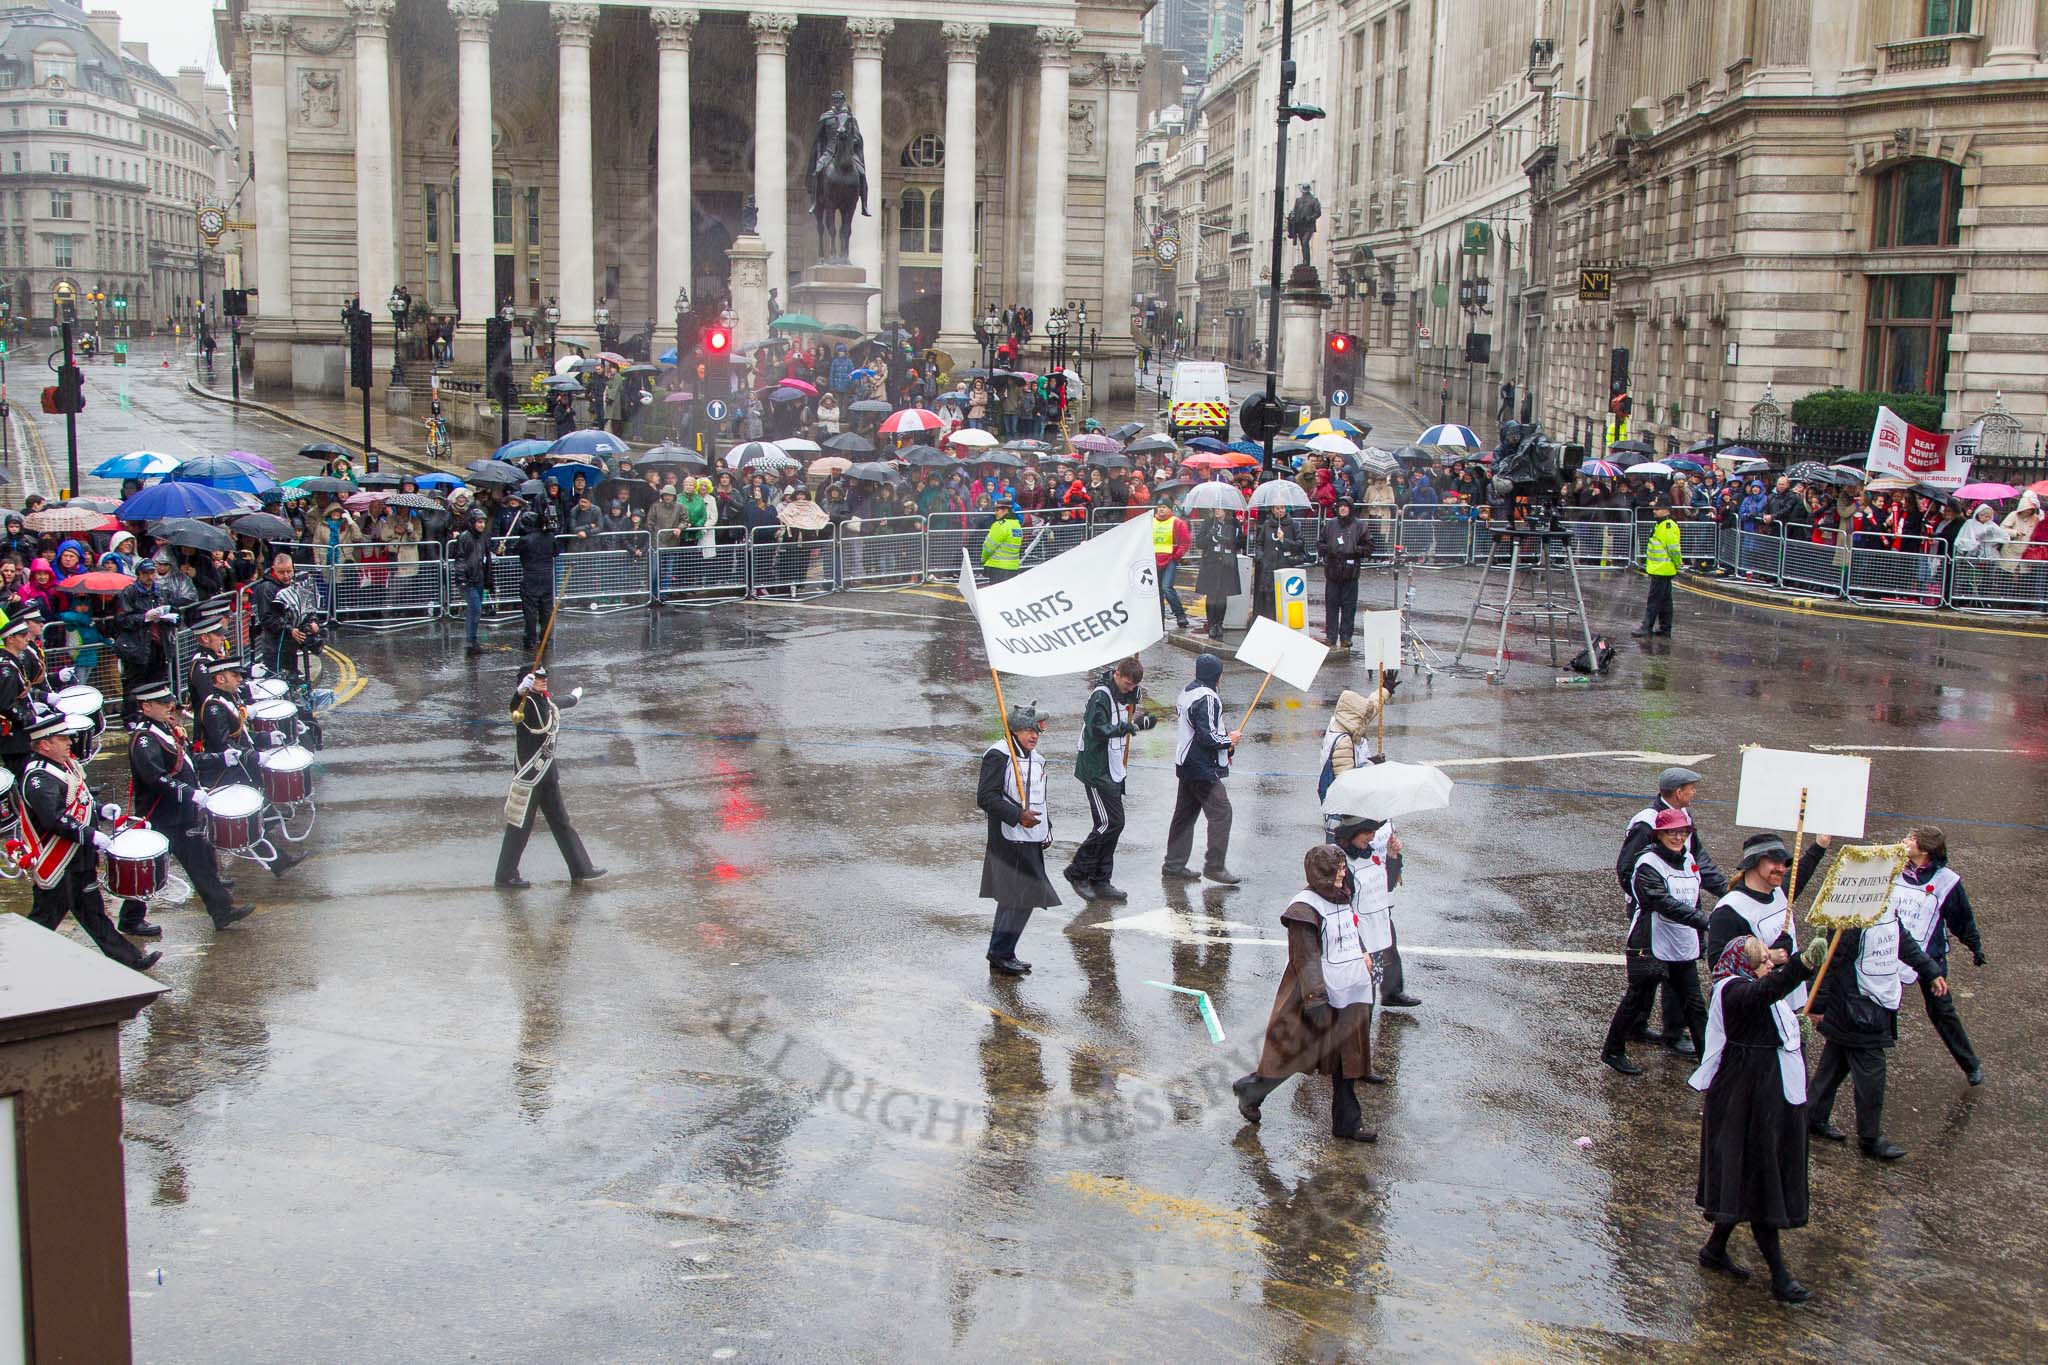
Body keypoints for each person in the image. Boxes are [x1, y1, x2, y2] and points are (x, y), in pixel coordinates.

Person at [1689, 935, 1820, 1303]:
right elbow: (1769, 991)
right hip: (1746, 1102)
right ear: (1744, 965)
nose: (1768, 966)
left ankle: (1715, 1249)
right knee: (1761, 1182)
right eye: (1762, 961)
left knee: (1744, 1178)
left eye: (1768, 960)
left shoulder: (1750, 988)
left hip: (1760, 1098)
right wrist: (1803, 965)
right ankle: (1780, 1277)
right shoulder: (1734, 992)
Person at [1230, 845, 1380, 1142]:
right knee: (1296, 1054)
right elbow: (1306, 958)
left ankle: (1347, 1122)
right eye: (1336, 868)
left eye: (1342, 868)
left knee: (1347, 1058)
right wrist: (1316, 1001)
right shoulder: (1304, 909)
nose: (1341, 873)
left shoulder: (1341, 896)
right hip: (1316, 995)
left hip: (1348, 990)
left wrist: (1362, 953)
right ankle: (1252, 1089)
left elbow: (1348, 932)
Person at [1806, 868, 1944, 1161]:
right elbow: (1830, 963)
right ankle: (1870, 1138)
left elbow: (1902, 940)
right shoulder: (1851, 919)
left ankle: (1812, 1117)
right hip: (1857, 1011)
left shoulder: (1886, 906)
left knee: (1834, 1064)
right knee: (1871, 1075)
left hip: (1867, 1005)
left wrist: (1929, 970)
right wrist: (1818, 1006)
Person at [18, 708, 159, 971]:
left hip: (77, 859)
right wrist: (91, 834)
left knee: (92, 913)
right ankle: (13, 959)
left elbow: (80, 800)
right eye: (63, 739)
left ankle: (131, 960)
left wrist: (101, 809)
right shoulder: (38, 777)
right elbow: (55, 819)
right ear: (45, 744)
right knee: (44, 919)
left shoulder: (65, 765)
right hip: (59, 862)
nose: (70, 742)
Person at [123, 680, 253, 935]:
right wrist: (190, 793)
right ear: (146, 706)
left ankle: (222, 911)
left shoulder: (164, 729)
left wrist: (218, 758)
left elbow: (187, 761)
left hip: (182, 813)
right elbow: (156, 778)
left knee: (201, 860)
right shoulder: (144, 740)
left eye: (169, 702)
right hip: (162, 815)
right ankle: (129, 918)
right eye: (163, 704)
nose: (169, 707)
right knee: (151, 868)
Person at [1616, 766, 1727, 1054]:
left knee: (1672, 971)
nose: (1695, 792)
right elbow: (1627, 868)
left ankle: (1658, 1029)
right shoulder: (1647, 822)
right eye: (1691, 788)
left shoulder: (1684, 819)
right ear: (1678, 792)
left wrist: (1726, 890)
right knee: (1654, 973)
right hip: (1654, 913)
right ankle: (1659, 1032)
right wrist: (1649, 899)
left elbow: (1697, 858)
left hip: (1679, 911)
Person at [1601, 807, 1712, 1074]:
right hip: (1650, 944)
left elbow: (1694, 898)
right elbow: (1661, 901)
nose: (1677, 837)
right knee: (1637, 999)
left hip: (1681, 944)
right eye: (1671, 833)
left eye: (1682, 832)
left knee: (1694, 1004)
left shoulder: (1688, 860)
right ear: (1659, 835)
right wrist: (1703, 921)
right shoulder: (1647, 863)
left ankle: (1708, 1058)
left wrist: (1700, 936)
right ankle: (1613, 1050)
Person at [1890, 826, 1986, 1085]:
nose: (1905, 840)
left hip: (1930, 958)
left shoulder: (1946, 881)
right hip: (1891, 950)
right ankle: (1870, 1054)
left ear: (1924, 849)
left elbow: (1961, 918)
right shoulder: (1891, 869)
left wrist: (1974, 946)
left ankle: (1970, 1064)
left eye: (1911, 839)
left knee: (1942, 1011)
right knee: (1880, 1002)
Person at [494, 667, 604, 888]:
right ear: (527, 682)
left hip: (547, 776)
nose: (544, 681)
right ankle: (505, 875)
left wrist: (574, 697)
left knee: (561, 823)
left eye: (544, 677)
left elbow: (558, 703)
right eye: (538, 679)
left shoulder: (545, 701)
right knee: (519, 826)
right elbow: (515, 708)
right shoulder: (526, 703)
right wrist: (519, 693)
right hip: (531, 776)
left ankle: (580, 868)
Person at [1063, 657, 1154, 902]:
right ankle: (1077, 872)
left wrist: (1142, 721)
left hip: (1112, 769)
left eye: (1133, 686)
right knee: (1107, 823)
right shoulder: (1100, 696)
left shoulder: (1128, 693)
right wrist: (1127, 727)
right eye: (1126, 685)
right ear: (1117, 674)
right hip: (1096, 769)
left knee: (1115, 823)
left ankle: (1101, 880)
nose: (1130, 689)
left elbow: (1136, 715)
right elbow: (1097, 730)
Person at [977, 703, 1059, 976]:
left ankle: (1002, 952)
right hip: (1008, 838)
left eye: (1036, 731)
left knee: (1021, 897)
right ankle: (1000, 953)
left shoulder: (1038, 759)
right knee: (1020, 896)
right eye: (1027, 730)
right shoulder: (998, 755)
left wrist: (1045, 829)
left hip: (1032, 837)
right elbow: (986, 797)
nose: (1033, 736)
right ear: (1014, 730)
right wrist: (1016, 815)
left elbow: (1041, 797)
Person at [1704, 831, 1832, 999]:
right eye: (1774, 862)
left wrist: (1820, 846)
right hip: (1759, 1006)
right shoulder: (1729, 910)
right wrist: (1768, 956)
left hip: (1792, 1001)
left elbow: (1800, 875)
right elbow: (1718, 965)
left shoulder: (1780, 892)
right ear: (1753, 862)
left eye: (1783, 862)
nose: (1781, 868)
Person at [1161, 653, 1241, 885]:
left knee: (1184, 815)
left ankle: (1174, 864)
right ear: (1217, 675)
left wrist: (1227, 749)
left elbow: (1202, 730)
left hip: (1186, 762)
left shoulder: (1188, 691)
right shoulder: (1208, 698)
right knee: (1221, 812)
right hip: (1201, 767)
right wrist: (1229, 740)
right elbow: (1207, 735)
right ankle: (1214, 867)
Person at [1330, 813, 1405, 1054]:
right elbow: (1340, 908)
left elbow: (1386, 887)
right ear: (1353, 832)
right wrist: (1360, 949)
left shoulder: (1370, 854)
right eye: (1368, 832)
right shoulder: (1338, 861)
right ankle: (1345, 1059)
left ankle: (1358, 1060)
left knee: (1367, 1002)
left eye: (1374, 832)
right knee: (1352, 1005)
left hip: (1374, 943)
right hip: (1354, 945)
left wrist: (1393, 857)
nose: (1372, 837)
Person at [112, 556, 177, 718]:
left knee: (157, 683)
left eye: (152, 573)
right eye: (145, 573)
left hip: (159, 645)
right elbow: (121, 620)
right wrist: (144, 617)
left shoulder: (162, 592)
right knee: (134, 684)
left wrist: (172, 618)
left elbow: (176, 611)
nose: (149, 576)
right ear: (139, 575)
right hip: (136, 646)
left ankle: (155, 715)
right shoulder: (129, 592)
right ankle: (132, 717)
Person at [1315, 678, 1396, 802]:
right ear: (1355, 717)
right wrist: (1372, 764)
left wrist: (1385, 691)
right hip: (1346, 806)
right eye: (1362, 718)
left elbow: (1370, 709)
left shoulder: (1342, 722)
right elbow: (1347, 780)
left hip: (1350, 799)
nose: (1365, 720)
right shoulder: (1344, 743)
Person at [1315, 496, 1372, 648]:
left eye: (1346, 506)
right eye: (1340, 506)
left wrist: (1354, 550)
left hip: (1351, 572)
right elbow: (1320, 543)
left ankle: (1346, 636)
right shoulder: (1330, 525)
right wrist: (1329, 550)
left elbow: (1369, 547)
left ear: (1351, 508)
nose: (1343, 509)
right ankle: (1331, 636)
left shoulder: (1360, 525)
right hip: (1332, 571)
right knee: (1331, 606)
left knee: (1349, 607)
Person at [1634, 499, 1681, 638]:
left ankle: (1646, 627)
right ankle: (1665, 628)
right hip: (1661, 569)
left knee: (1654, 601)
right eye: (1654, 509)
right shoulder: (1661, 525)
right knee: (1665, 601)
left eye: (1657, 509)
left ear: (1666, 510)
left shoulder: (1668, 526)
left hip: (1662, 569)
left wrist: (1678, 563)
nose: (1654, 511)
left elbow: (1673, 549)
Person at [514, 507, 558, 652]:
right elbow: (556, 552)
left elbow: (514, 550)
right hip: (546, 578)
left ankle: (530, 640)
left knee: (531, 611)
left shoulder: (525, 540)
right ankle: (546, 638)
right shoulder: (549, 537)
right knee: (546, 610)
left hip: (531, 577)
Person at [453, 506, 495, 654]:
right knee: (475, 609)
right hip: (468, 580)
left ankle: (472, 640)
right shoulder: (465, 537)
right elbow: (459, 558)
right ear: (472, 522)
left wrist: (489, 579)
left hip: (479, 579)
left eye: (483, 522)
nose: (481, 525)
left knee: (475, 610)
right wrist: (461, 578)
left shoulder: (483, 537)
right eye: (478, 522)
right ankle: (471, 640)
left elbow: (486, 558)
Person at [1248, 505, 1302, 621]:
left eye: (1282, 508)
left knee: (1283, 599)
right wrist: (1261, 558)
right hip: (1268, 568)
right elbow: (1259, 544)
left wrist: (1283, 540)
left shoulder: (1294, 525)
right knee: (1268, 600)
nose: (1280, 510)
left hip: (1285, 567)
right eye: (1277, 508)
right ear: (1273, 510)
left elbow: (1299, 545)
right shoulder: (1267, 525)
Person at [1193, 509, 1240, 639]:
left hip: (1226, 564)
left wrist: (1227, 539)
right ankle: (1211, 624)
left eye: (1220, 508)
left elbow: (1240, 542)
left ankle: (1219, 623)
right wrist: (1211, 536)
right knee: (1211, 595)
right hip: (1211, 563)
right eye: (1216, 508)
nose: (1217, 511)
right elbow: (1199, 543)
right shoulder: (1208, 523)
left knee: (1222, 596)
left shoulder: (1233, 523)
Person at [0, 616, 36, 778]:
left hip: (19, 734)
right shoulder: (7, 668)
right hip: (14, 737)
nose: (27, 638)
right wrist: (30, 718)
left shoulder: (13, 662)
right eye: (22, 636)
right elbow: (6, 705)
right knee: (23, 777)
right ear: (10, 639)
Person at [980, 499, 1023, 582]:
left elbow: (988, 547)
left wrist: (983, 559)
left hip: (998, 568)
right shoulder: (1017, 525)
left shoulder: (999, 525)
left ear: (1006, 510)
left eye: (997, 510)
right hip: (1013, 568)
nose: (995, 512)